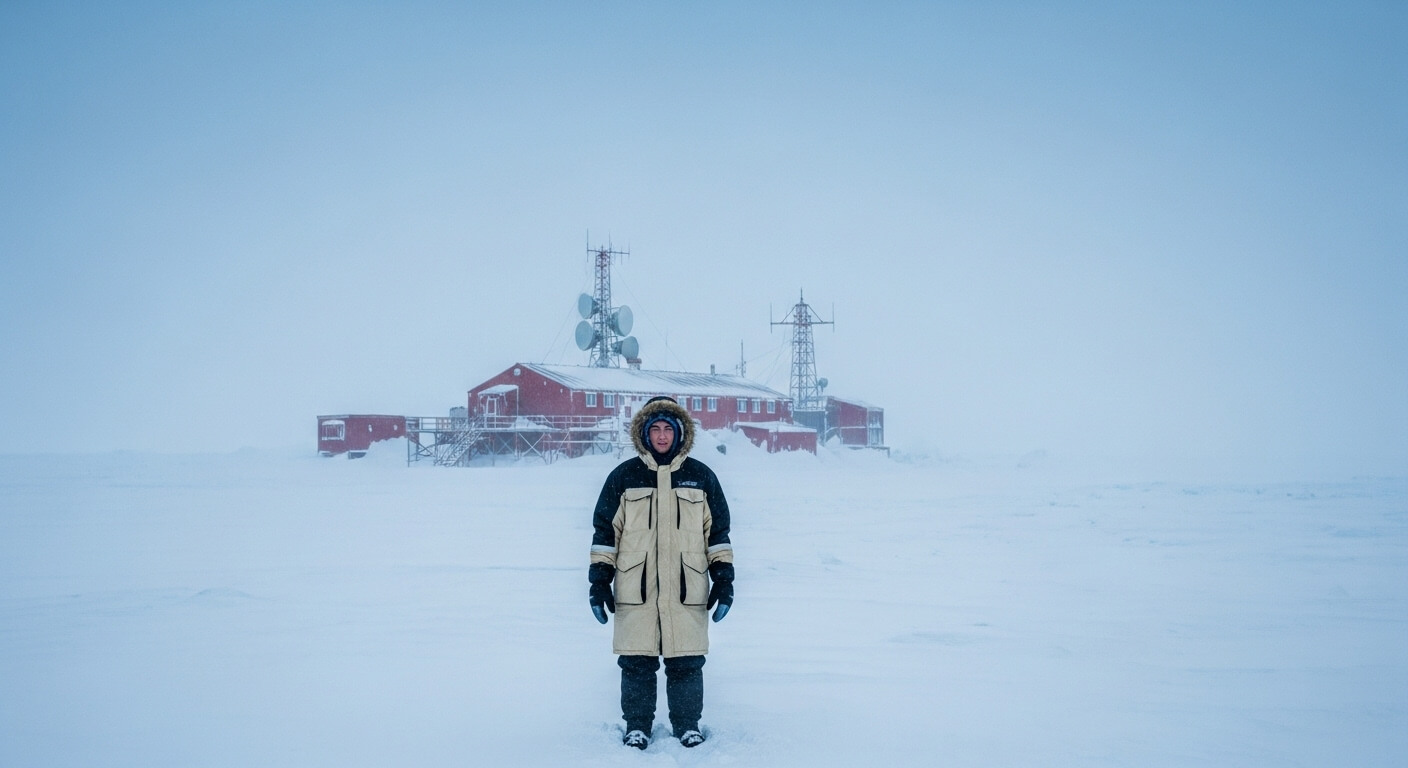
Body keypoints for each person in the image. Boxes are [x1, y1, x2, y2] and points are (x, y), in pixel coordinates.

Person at [588, 395, 734, 750]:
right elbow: (606, 534)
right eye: (655, 428)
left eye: (669, 428)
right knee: (636, 662)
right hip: (636, 591)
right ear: (644, 433)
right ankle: (637, 726)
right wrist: (598, 584)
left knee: (686, 661)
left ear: (681, 433)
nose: (663, 436)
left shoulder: (701, 477)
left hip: (687, 589)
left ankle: (687, 725)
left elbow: (717, 534)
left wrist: (724, 580)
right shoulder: (624, 477)